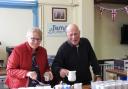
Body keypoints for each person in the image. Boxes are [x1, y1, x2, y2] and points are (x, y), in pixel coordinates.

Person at [51, 24, 101, 89]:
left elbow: (93, 60)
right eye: (71, 35)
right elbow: (54, 66)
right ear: (67, 35)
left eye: (75, 34)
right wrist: (60, 70)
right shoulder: (63, 48)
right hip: (70, 85)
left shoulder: (86, 42)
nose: (74, 37)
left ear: (79, 33)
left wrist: (98, 76)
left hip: (86, 83)